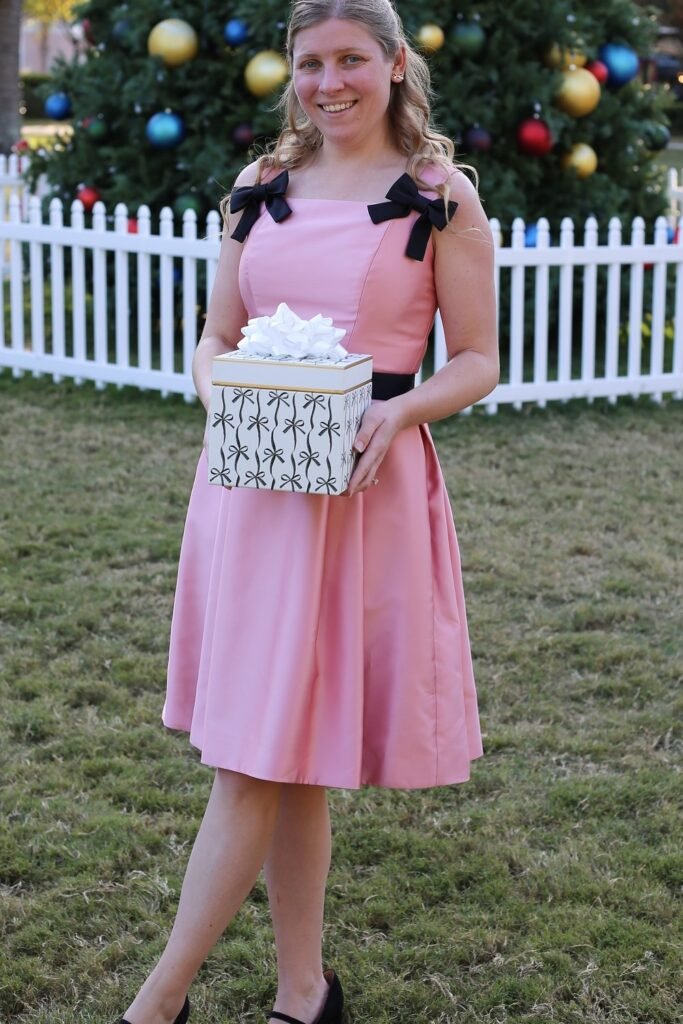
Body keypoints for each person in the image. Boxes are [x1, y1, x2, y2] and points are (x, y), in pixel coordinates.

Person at [119, 1, 498, 1022]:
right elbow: (215, 332)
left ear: (391, 65)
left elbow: (476, 359)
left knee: (260, 756)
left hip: (361, 493)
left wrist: (401, 408)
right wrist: (221, 390)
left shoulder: (437, 196)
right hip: (250, 489)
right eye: (309, 63)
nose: (328, 82)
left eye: (348, 61)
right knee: (275, 753)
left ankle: (157, 1004)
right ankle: (302, 992)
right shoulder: (256, 187)